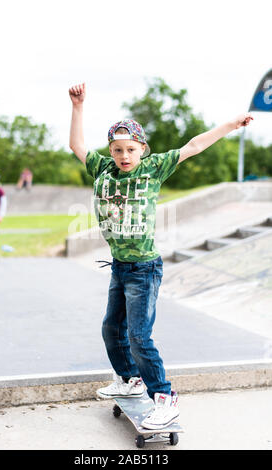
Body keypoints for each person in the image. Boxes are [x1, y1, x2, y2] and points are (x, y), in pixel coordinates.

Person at [68, 82, 254, 430]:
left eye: (131, 150)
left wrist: (230, 125)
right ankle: (129, 379)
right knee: (112, 329)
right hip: (120, 267)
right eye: (118, 150)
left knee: (139, 336)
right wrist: (78, 107)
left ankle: (165, 398)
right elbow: (76, 145)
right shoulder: (102, 169)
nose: (124, 156)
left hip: (144, 269)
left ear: (142, 149)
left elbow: (194, 145)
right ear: (110, 151)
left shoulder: (153, 168)